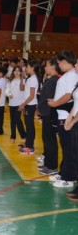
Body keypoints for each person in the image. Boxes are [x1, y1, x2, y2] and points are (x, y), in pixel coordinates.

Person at [48, 50, 78, 188]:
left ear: (65, 62)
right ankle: (64, 172)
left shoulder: (72, 76)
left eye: (59, 63)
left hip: (68, 116)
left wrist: (55, 103)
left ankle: (69, 178)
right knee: (65, 147)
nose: (59, 66)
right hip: (63, 115)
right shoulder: (68, 75)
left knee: (69, 149)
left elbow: (69, 96)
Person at [37, 57, 61, 175]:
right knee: (46, 139)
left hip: (49, 114)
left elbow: (51, 99)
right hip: (45, 114)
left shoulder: (53, 81)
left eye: (46, 65)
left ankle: (52, 167)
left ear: (52, 67)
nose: (45, 68)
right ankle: (47, 163)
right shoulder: (50, 79)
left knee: (50, 140)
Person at [18, 60, 40, 154]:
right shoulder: (30, 78)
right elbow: (23, 89)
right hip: (27, 104)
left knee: (30, 126)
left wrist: (23, 104)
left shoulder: (34, 79)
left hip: (30, 105)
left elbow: (31, 96)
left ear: (33, 68)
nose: (26, 68)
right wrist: (22, 78)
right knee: (28, 125)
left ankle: (30, 147)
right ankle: (28, 143)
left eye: (27, 67)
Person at [64, 59, 78, 201]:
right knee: (75, 155)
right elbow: (76, 104)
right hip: (75, 121)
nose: (75, 65)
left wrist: (73, 120)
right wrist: (69, 118)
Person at [5, 65, 26, 143]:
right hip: (12, 103)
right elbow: (7, 90)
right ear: (13, 72)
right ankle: (13, 136)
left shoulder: (23, 81)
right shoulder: (11, 80)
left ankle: (24, 136)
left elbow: (23, 90)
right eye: (15, 70)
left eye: (18, 70)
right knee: (12, 120)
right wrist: (9, 94)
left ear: (21, 72)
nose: (17, 72)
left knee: (17, 119)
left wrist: (23, 104)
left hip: (19, 103)